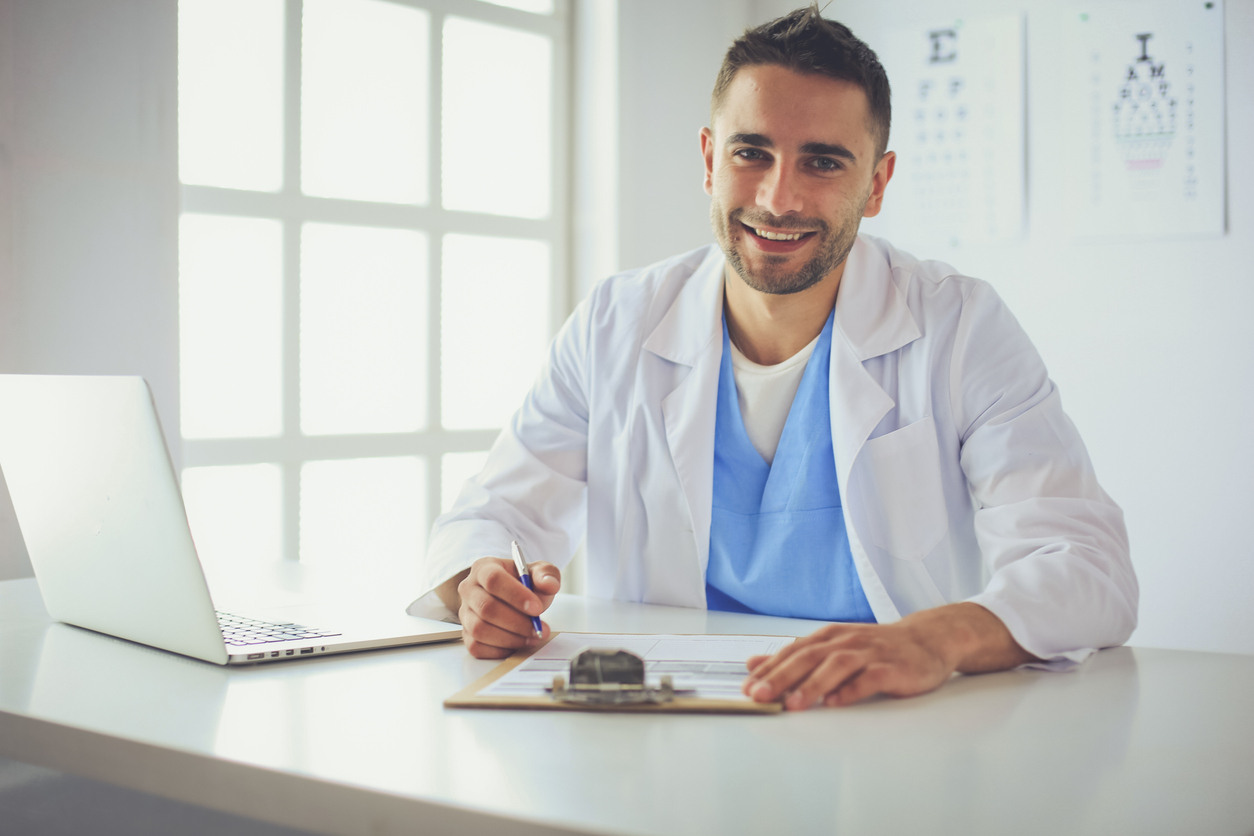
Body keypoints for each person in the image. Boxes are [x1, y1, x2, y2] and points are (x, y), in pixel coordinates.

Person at [410, 5, 1138, 710]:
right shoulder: (614, 322)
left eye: (822, 162)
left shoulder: (959, 326)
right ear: (708, 159)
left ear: (876, 184)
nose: (777, 197)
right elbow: (493, 513)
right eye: (750, 153)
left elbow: (1086, 566)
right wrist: (481, 584)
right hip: (668, 728)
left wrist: (935, 638)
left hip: (887, 721)